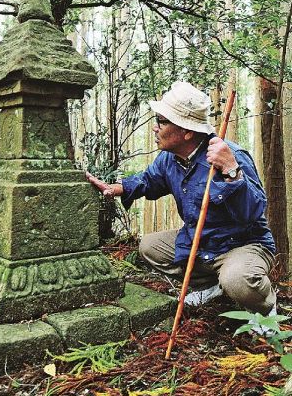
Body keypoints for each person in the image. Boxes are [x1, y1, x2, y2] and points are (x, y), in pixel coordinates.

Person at [86, 81, 276, 318]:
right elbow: (149, 180)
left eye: (161, 121)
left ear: (186, 131)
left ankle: (265, 308)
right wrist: (116, 188)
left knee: (238, 281)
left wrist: (231, 170)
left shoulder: (230, 155)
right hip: (203, 243)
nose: (155, 128)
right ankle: (209, 285)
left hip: (240, 245)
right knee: (150, 247)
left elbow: (254, 212)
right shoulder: (170, 159)